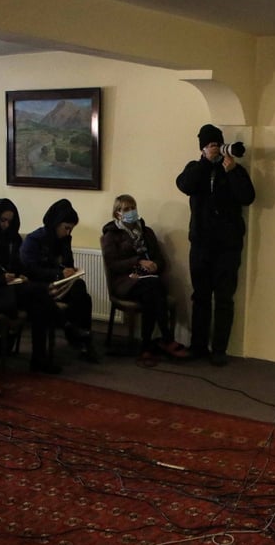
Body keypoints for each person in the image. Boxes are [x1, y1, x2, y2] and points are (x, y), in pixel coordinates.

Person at [175, 124, 255, 366]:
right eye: (211, 145)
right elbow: (185, 185)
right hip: (200, 244)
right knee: (200, 297)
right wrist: (205, 162)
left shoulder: (233, 169)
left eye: (217, 145)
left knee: (224, 298)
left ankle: (219, 349)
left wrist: (233, 171)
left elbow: (247, 197)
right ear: (202, 148)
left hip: (228, 247)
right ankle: (198, 346)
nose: (215, 149)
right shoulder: (195, 168)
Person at [0, 198, 65, 374]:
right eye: (2, 220)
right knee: (39, 294)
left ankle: (39, 357)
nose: (6, 225)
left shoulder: (11, 238)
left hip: (10, 288)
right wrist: (1, 278)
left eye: (9, 221)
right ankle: (62, 323)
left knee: (38, 303)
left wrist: (20, 274)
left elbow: (17, 264)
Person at [101, 194, 188, 366]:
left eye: (133, 207)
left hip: (149, 280)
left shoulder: (147, 232)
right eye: (126, 209)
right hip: (126, 281)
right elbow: (113, 264)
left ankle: (146, 346)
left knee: (152, 291)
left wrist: (155, 265)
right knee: (154, 288)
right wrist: (138, 261)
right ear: (118, 213)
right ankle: (165, 339)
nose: (131, 212)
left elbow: (160, 259)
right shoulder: (112, 235)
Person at [19, 198, 99, 363]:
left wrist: (69, 269)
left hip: (58, 283)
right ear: (56, 224)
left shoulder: (63, 240)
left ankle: (80, 337)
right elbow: (30, 269)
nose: (68, 233)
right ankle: (73, 331)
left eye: (71, 229)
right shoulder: (34, 240)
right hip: (38, 285)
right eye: (66, 228)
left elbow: (67, 264)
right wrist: (58, 274)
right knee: (79, 295)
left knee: (82, 292)